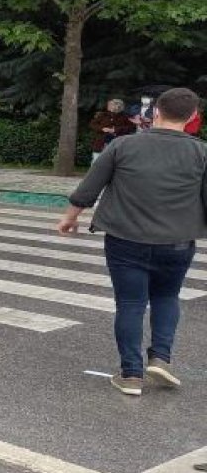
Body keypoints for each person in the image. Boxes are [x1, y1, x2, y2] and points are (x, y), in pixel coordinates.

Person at [58, 87, 207, 397]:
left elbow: (89, 188)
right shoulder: (201, 153)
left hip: (126, 240)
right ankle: (161, 358)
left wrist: (69, 218)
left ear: (155, 112)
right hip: (177, 243)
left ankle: (131, 375)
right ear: (193, 117)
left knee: (130, 304)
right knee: (167, 297)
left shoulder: (123, 145)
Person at [88, 98, 135, 163]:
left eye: (110, 104)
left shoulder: (124, 117)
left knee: (113, 162)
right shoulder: (103, 115)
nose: (108, 106)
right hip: (101, 143)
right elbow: (92, 124)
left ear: (117, 106)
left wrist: (115, 129)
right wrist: (102, 128)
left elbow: (131, 127)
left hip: (117, 143)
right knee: (96, 160)